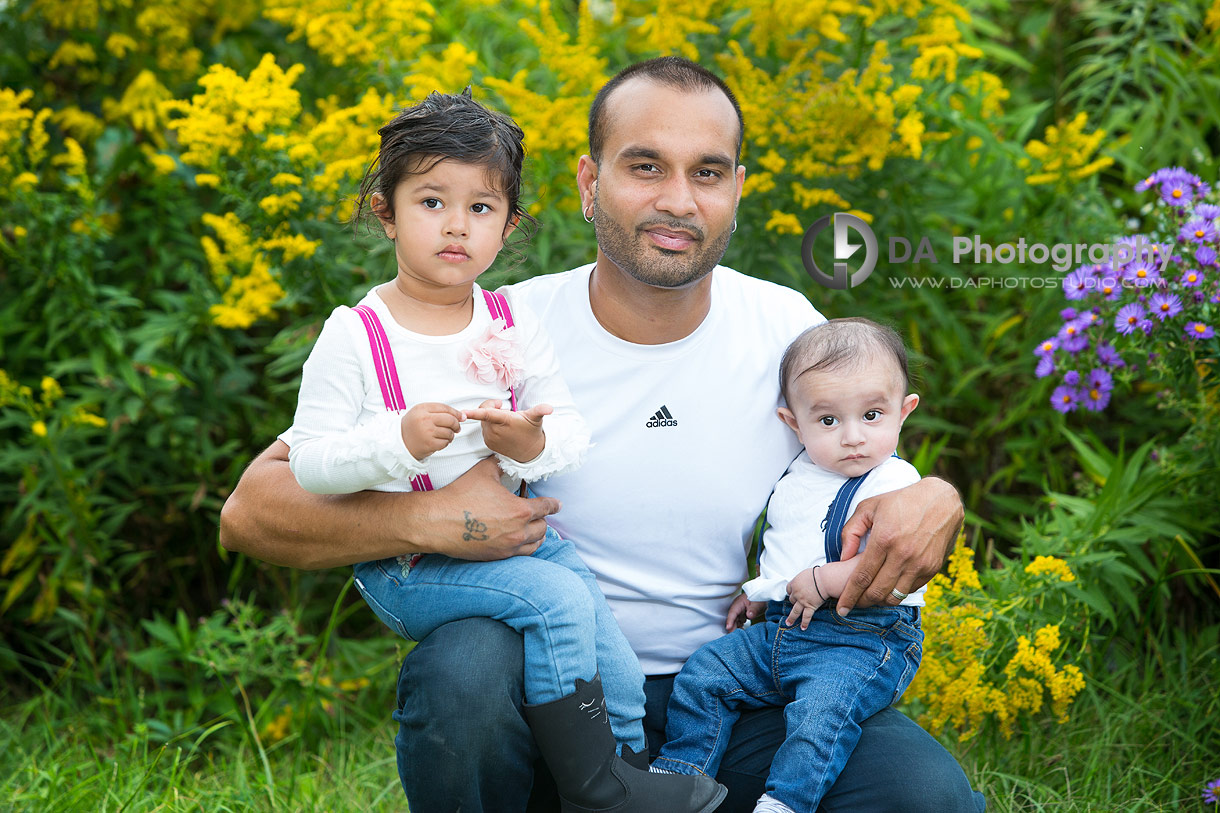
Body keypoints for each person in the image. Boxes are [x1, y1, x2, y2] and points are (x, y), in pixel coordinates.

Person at [220, 57, 984, 813]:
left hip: (730, 685)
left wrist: (937, 495)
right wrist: (419, 517)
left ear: (737, 192)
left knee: (924, 795)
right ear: (590, 184)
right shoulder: (498, 327)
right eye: (646, 166)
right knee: (464, 667)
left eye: (708, 173)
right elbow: (252, 510)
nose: (678, 200)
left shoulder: (786, 329)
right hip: (550, 700)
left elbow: (872, 452)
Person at [285, 89, 724, 813]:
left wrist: (530, 442)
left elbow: (568, 430)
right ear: (385, 211)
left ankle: (627, 765)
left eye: (481, 208)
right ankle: (595, 790)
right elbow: (309, 462)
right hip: (411, 566)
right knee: (555, 601)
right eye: (431, 202)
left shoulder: (507, 318)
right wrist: (393, 443)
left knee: (598, 623)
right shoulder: (357, 333)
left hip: (517, 541)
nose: (456, 226)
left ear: (509, 226)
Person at [651, 318, 930, 813]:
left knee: (821, 715)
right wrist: (760, 590)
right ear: (792, 424)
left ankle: (785, 802)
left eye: (871, 415)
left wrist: (821, 579)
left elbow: (886, 563)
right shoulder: (798, 472)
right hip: (783, 632)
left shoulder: (894, 481)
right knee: (705, 674)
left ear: (903, 412)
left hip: (859, 639)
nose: (852, 437)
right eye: (828, 421)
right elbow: (788, 543)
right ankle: (680, 777)